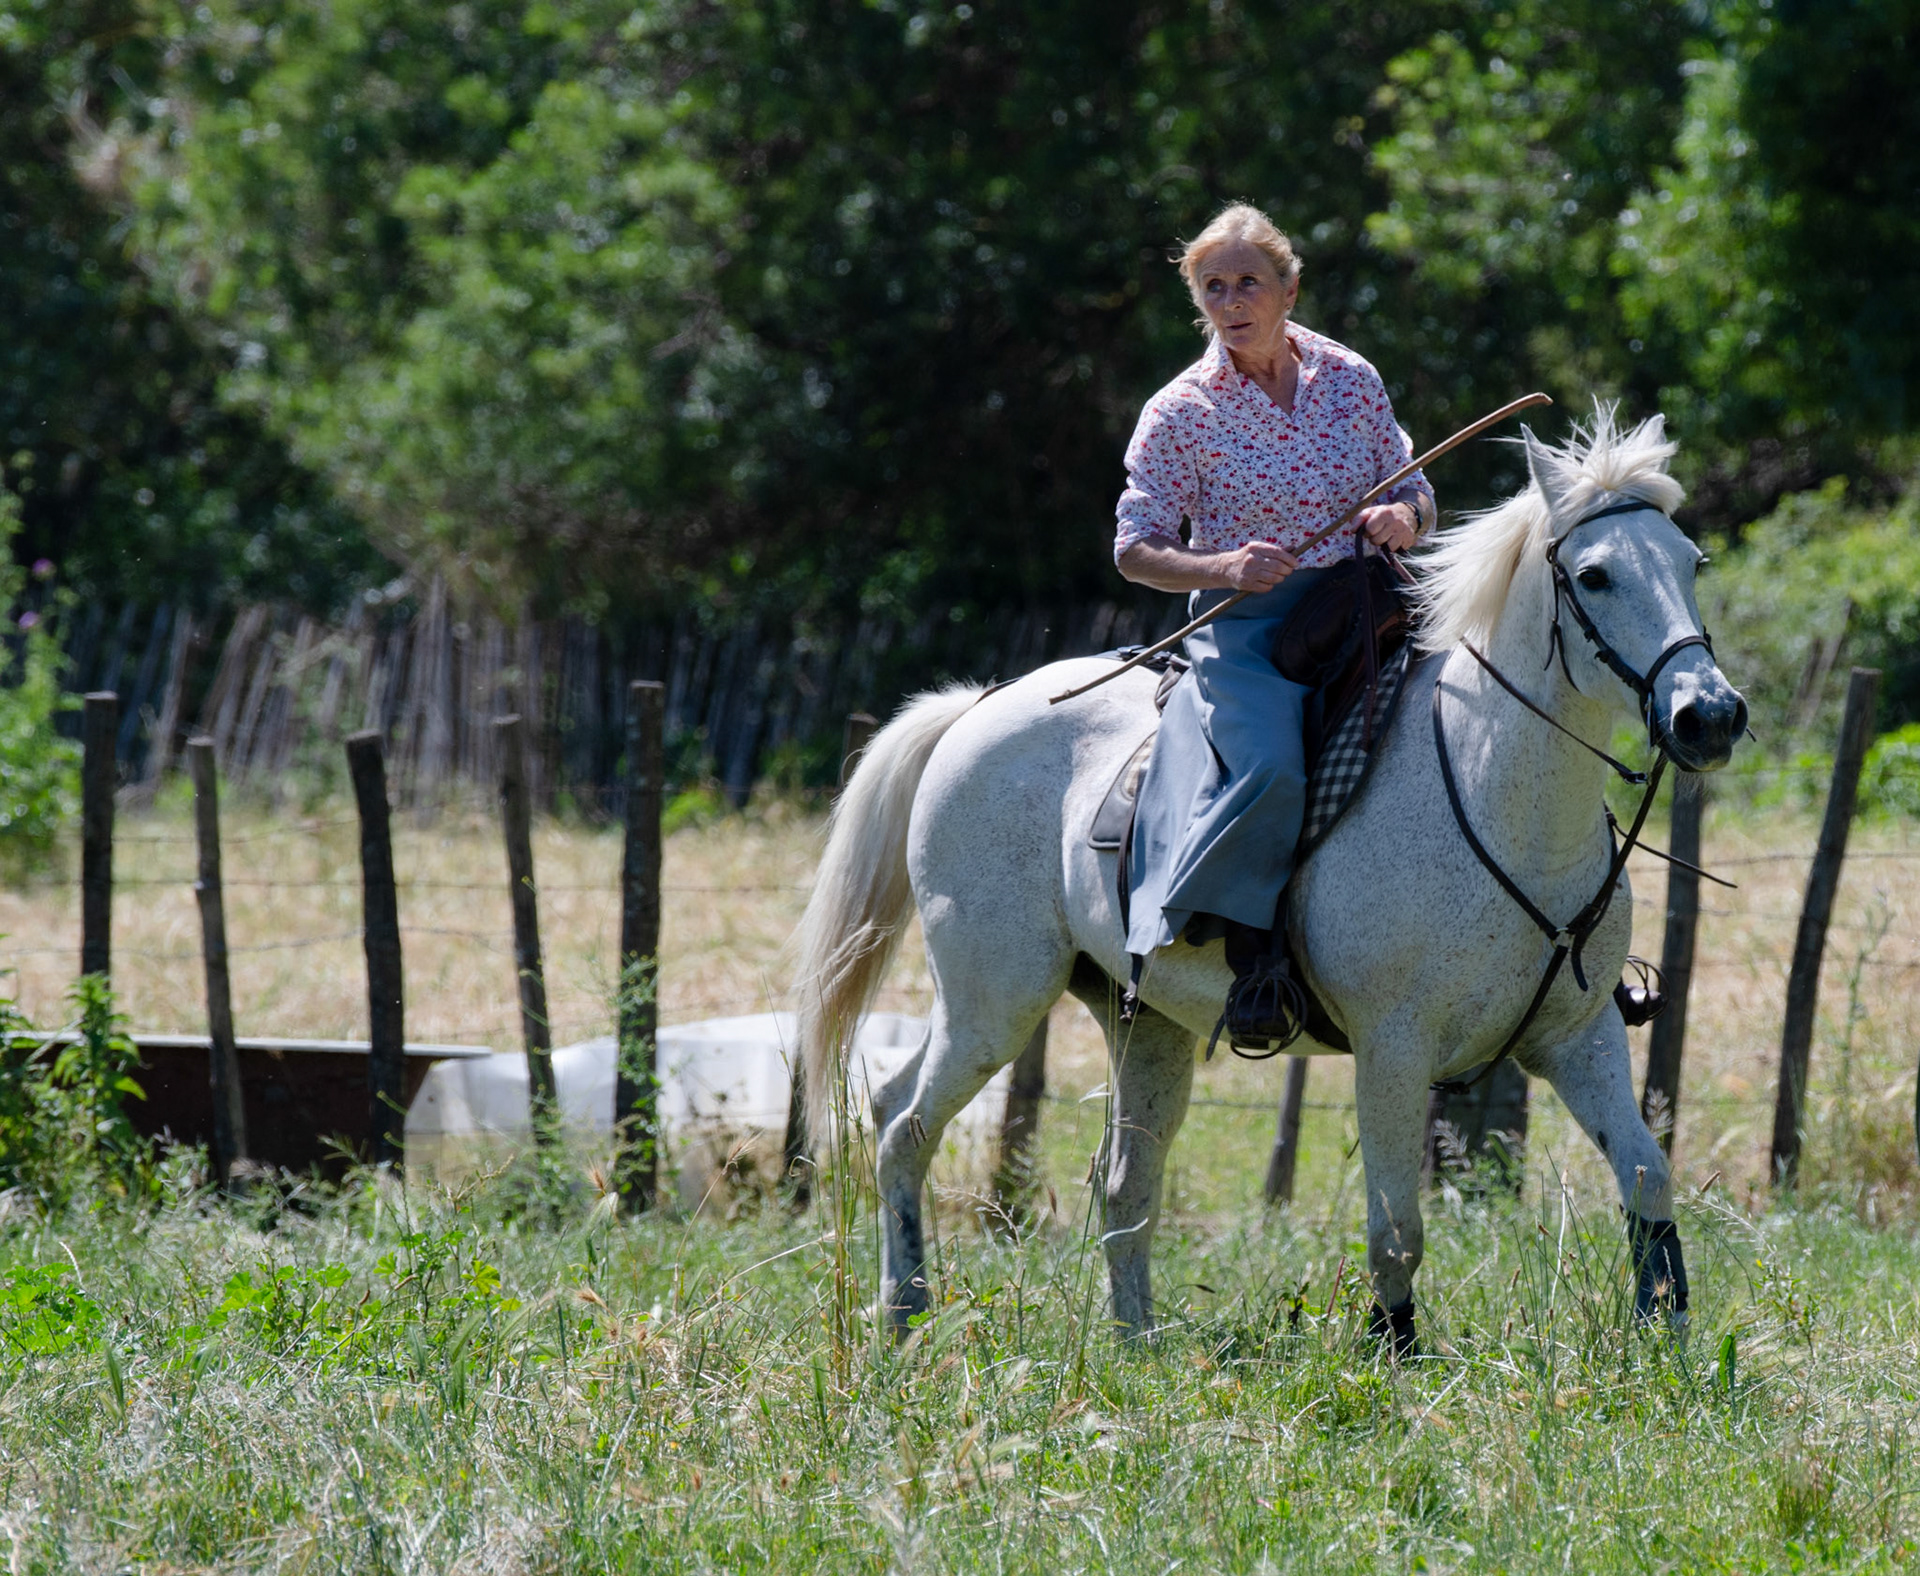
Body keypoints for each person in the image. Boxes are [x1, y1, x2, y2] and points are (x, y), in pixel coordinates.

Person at [1115, 202, 1435, 1049]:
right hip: (1247, 624)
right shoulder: (1179, 411)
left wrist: (1405, 516)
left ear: (1289, 289)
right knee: (1269, 769)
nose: (1231, 302)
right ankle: (1252, 960)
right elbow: (1135, 549)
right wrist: (1223, 567)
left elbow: (1413, 486)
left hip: (1371, 600)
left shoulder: (1351, 377)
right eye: (1213, 287)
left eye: (1248, 282)